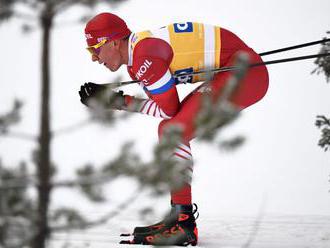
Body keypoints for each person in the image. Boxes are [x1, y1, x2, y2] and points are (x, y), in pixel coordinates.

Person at [79, 12, 269, 246]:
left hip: (246, 73)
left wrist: (119, 102)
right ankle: (178, 217)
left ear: (114, 42)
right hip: (238, 67)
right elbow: (165, 110)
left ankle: (183, 223)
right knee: (169, 129)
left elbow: (168, 110)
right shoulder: (137, 61)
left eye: (95, 49)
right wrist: (117, 101)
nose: (94, 58)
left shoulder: (143, 57)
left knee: (173, 131)